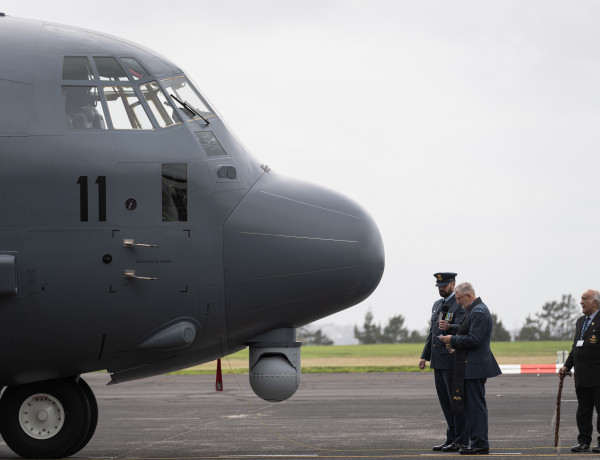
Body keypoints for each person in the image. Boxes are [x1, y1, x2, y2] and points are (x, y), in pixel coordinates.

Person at [439, 282, 501, 455]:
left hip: (475, 367)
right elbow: (466, 329)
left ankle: (480, 443)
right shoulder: (473, 310)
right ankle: (476, 442)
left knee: (476, 407)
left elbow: (474, 339)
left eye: (459, 299)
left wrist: (452, 340)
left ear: (469, 295)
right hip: (471, 366)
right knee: (472, 407)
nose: (458, 302)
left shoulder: (479, 311)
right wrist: (452, 330)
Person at [419, 272, 467, 452]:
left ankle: (461, 439)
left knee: (456, 403)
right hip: (438, 362)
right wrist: (425, 355)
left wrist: (451, 327)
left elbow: (463, 328)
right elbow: (432, 332)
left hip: (453, 360)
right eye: (439, 286)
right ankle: (451, 438)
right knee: (445, 403)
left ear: (453, 285)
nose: (441, 289)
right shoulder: (437, 305)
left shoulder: (460, 304)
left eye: (444, 285)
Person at [559, 289, 600, 453]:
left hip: (598, 376)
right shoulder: (580, 321)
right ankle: (583, 441)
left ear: (595, 302)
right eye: (581, 299)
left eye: (585, 299)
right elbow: (576, 348)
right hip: (582, 377)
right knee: (583, 412)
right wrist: (567, 366)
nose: (581, 302)